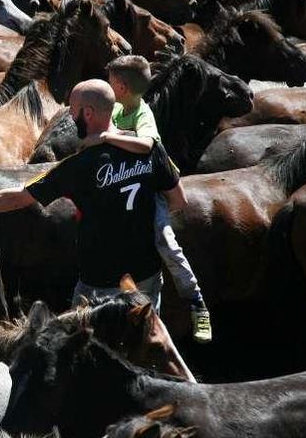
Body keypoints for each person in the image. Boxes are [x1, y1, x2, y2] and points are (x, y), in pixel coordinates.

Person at [0, 79, 188, 333]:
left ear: (89, 113)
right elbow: (179, 201)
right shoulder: (151, 150)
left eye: (73, 111)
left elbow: (18, 197)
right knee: (144, 340)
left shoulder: (77, 166)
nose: (71, 117)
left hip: (98, 283)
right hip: (147, 275)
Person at [81, 55, 211, 343]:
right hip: (125, 181)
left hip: (154, 185)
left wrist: (107, 138)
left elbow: (147, 145)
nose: (108, 87)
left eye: (111, 83)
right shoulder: (114, 108)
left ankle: (196, 301)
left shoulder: (142, 112)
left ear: (123, 87)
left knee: (166, 242)